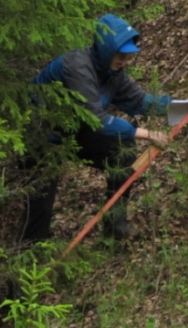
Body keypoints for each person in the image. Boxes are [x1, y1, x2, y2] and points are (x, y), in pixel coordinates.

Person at [18, 13, 173, 244]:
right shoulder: (77, 66)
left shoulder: (113, 73)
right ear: (106, 48)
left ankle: (114, 226)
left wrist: (183, 107)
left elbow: (140, 101)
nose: (124, 61)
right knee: (40, 207)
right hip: (41, 136)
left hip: (74, 131)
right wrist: (147, 134)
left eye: (128, 56)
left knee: (122, 151)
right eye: (120, 54)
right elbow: (96, 118)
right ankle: (23, 267)